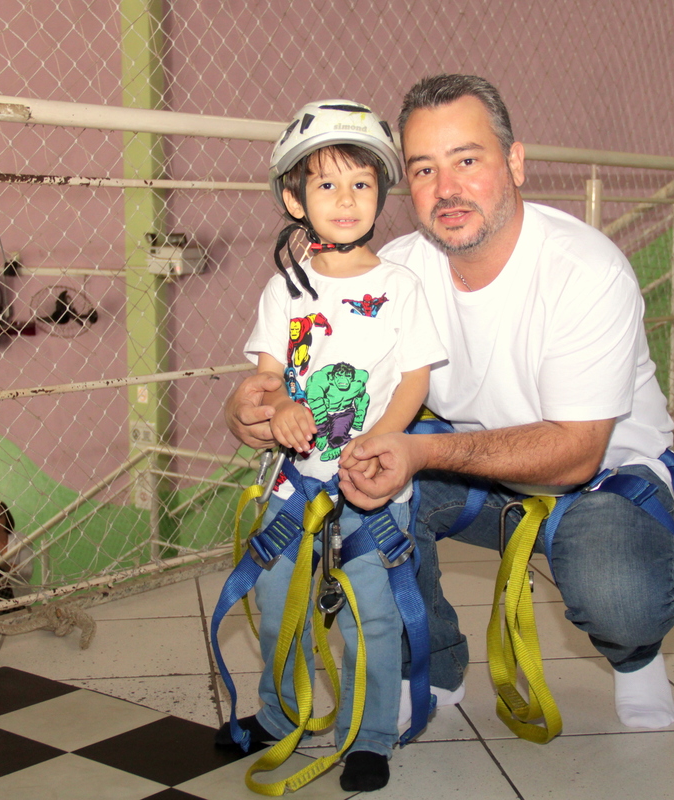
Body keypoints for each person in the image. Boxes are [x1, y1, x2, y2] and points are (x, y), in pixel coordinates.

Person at [226, 74, 674, 732]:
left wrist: (416, 451)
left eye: (467, 160)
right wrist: (255, 409)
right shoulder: (394, 273)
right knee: (365, 496)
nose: (447, 190)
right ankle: (433, 664)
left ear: (515, 162)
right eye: (423, 169)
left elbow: (576, 454)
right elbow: (324, 376)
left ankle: (636, 656)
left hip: (599, 482)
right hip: (466, 470)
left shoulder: (585, 271)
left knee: (617, 590)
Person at [217, 99, 446, 792]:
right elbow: (263, 378)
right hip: (295, 482)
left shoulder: (400, 287)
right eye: (325, 185)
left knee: (371, 613)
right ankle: (279, 711)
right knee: (277, 600)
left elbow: (414, 377)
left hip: (374, 481)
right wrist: (280, 407)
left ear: (382, 193)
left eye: (361, 184)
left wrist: (383, 439)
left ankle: (371, 734)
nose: (345, 200)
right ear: (294, 197)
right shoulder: (284, 290)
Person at [0, 500, 33, 602]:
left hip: (14, 595)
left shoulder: (22, 540)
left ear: (7, 519)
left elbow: (28, 572)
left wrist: (5, 565)